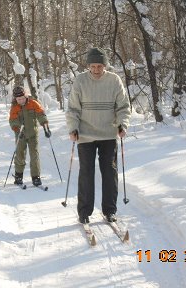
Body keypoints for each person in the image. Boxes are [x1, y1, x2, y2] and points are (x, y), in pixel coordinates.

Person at [65, 47, 131, 223]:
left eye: (99, 66)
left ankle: (110, 210)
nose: (96, 70)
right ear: (88, 66)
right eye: (93, 66)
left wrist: (122, 124)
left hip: (108, 134)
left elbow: (123, 107)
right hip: (85, 135)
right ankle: (84, 212)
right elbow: (73, 108)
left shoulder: (114, 80)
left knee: (109, 172)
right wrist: (73, 128)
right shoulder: (80, 81)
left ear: (105, 66)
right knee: (86, 172)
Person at [9, 86, 51, 186]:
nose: (21, 100)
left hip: (33, 134)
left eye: (23, 98)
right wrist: (16, 128)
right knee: (19, 155)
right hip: (20, 135)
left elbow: (41, 114)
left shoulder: (33, 103)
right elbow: (12, 120)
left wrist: (45, 126)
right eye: (19, 99)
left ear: (26, 95)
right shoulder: (14, 107)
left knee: (34, 155)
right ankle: (19, 176)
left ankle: (36, 177)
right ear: (15, 99)